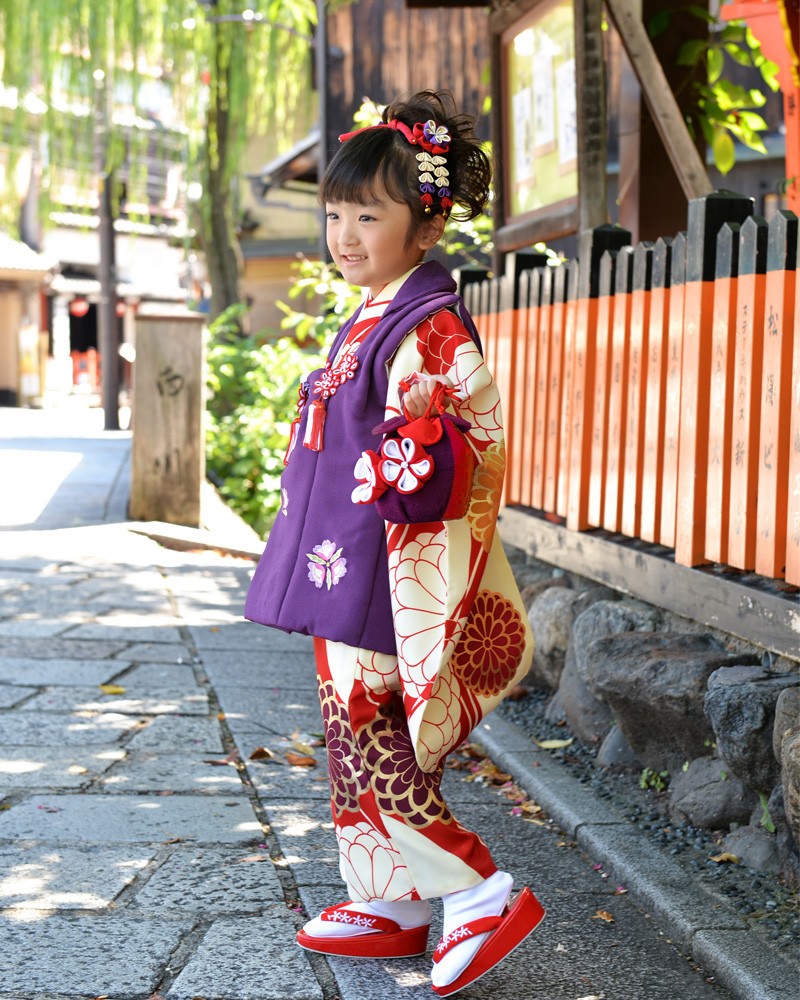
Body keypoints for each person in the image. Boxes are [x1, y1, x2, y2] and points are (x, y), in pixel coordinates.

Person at [244, 90, 544, 997]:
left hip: (385, 562)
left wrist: (413, 436)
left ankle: (476, 887)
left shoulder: (428, 324)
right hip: (346, 557)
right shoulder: (380, 310)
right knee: (346, 727)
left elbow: (460, 433)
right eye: (334, 214)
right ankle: (396, 896)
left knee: (373, 728)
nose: (343, 233)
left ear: (426, 222)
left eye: (366, 215)